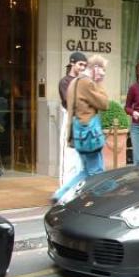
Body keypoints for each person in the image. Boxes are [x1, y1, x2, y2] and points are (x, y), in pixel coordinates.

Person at [52, 54, 109, 203]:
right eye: (102, 69)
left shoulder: (74, 82)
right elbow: (104, 104)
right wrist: (100, 83)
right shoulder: (87, 83)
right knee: (96, 171)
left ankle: (60, 193)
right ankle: (101, 201)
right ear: (95, 68)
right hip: (90, 133)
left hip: (79, 132)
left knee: (85, 170)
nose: (103, 73)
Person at [58, 52, 88, 187]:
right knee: (68, 158)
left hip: (84, 122)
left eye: (84, 65)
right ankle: (64, 192)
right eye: (80, 64)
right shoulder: (65, 81)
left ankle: (78, 190)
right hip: (71, 121)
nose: (82, 68)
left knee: (81, 160)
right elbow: (68, 102)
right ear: (72, 63)